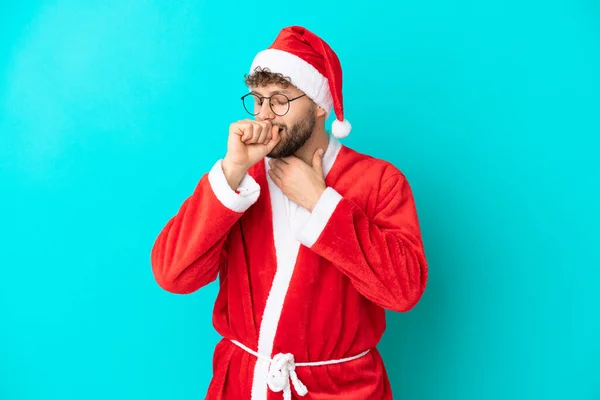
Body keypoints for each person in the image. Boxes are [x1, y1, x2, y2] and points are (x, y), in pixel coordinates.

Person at [151, 25, 428, 400]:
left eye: (280, 100)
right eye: (258, 100)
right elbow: (173, 275)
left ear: (318, 105)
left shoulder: (379, 182)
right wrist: (229, 172)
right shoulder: (241, 179)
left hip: (343, 390)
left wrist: (321, 203)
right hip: (243, 386)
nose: (264, 116)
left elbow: (403, 292)